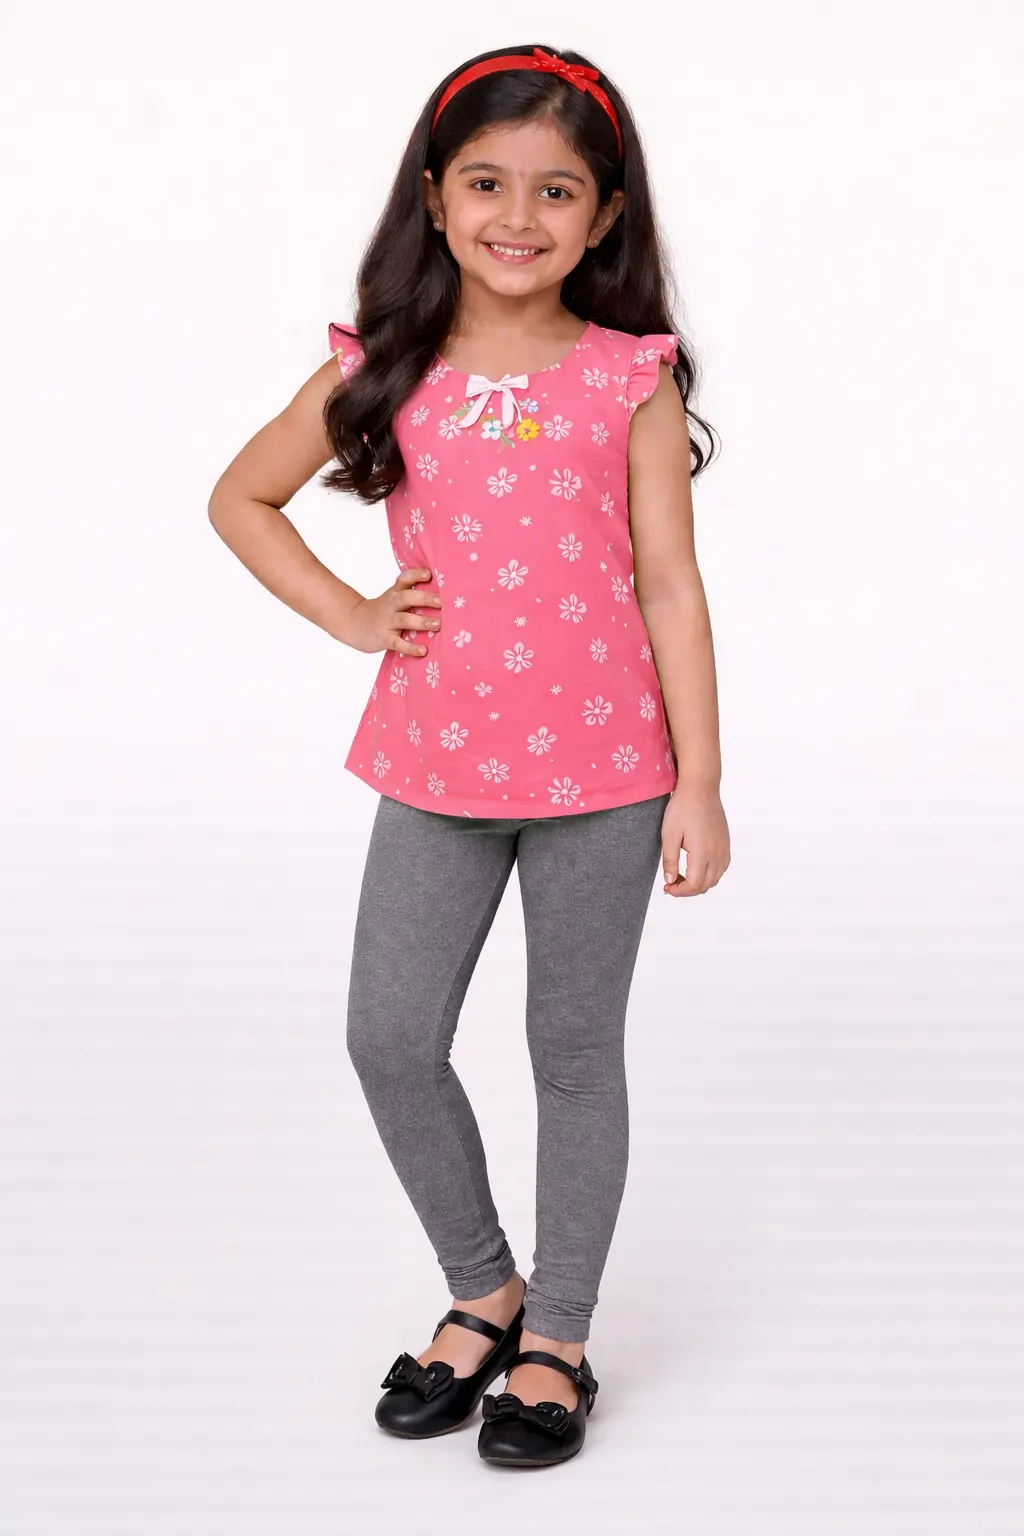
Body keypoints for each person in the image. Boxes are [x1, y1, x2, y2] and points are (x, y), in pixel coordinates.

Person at [208, 42, 730, 1469]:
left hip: (607, 777)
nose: (519, 215)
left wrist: (699, 780)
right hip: (436, 766)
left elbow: (672, 587)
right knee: (389, 1037)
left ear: (604, 216)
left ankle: (558, 1333)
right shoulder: (386, 368)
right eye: (488, 182)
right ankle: (482, 1286)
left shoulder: (627, 377)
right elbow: (243, 497)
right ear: (434, 196)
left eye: (557, 190)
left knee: (572, 1050)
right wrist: (354, 616)